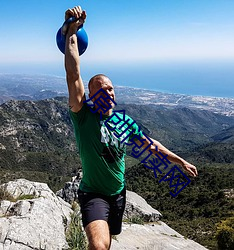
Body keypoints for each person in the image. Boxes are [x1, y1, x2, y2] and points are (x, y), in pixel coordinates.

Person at [63, 6, 198, 250]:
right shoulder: (83, 116)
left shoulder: (125, 123)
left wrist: (180, 161)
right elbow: (73, 74)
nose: (108, 90)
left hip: (118, 194)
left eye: (111, 88)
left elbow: (151, 145)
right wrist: (71, 31)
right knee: (98, 246)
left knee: (109, 241)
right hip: (93, 194)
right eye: (101, 88)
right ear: (90, 95)